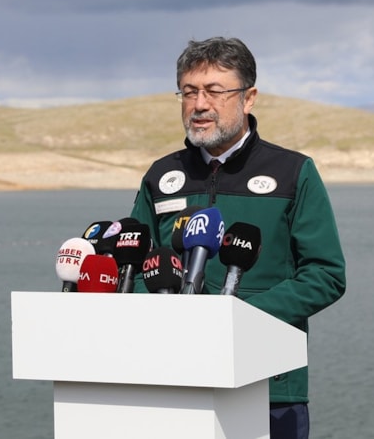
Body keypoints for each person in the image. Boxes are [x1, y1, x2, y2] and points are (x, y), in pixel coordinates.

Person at [129, 36, 346, 439]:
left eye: (214, 91)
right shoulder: (160, 176)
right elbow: (137, 267)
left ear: (249, 98)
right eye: (189, 92)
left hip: (270, 388)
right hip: (174, 379)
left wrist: (238, 320)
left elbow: (325, 275)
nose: (199, 105)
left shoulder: (293, 172)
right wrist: (164, 317)